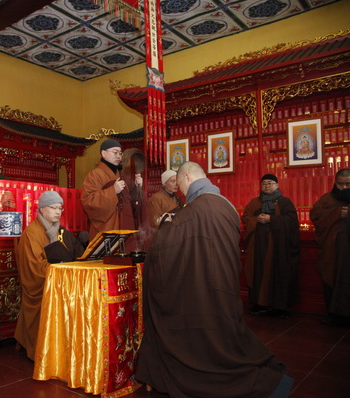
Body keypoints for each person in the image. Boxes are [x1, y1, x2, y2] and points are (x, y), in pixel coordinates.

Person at [136, 161, 293, 398]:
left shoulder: (198, 209)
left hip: (203, 291)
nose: (179, 190)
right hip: (224, 286)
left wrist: (166, 227)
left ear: (187, 177)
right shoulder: (225, 204)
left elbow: (169, 245)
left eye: (179, 184)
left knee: (207, 341)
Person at [14, 191, 84, 360]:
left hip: (58, 278)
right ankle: (46, 349)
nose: (58, 212)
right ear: (43, 209)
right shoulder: (33, 232)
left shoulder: (59, 230)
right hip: (40, 284)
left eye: (60, 208)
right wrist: (61, 271)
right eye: (54, 208)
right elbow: (36, 268)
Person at [241, 174, 300, 318]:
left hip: (279, 247)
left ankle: (279, 307)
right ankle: (259, 304)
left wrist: (271, 219)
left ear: (277, 185)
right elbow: (246, 218)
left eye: (270, 183)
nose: (266, 186)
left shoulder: (285, 202)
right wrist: (256, 220)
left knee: (279, 274)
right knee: (258, 273)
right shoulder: (255, 202)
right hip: (259, 247)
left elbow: (292, 221)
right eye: (264, 184)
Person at [81, 139, 141, 252]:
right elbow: (88, 201)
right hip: (107, 229)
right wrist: (113, 191)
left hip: (123, 227)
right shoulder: (95, 175)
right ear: (104, 153)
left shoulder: (121, 175)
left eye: (120, 153)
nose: (118, 156)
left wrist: (138, 187)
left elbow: (133, 201)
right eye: (115, 152)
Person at [310, 168, 350, 325]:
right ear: (335, 183)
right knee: (332, 278)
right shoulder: (327, 199)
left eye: (348, 184)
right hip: (333, 250)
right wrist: (337, 213)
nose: (345, 188)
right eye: (341, 184)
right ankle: (334, 314)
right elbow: (316, 216)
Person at [147, 169, 183, 243]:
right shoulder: (156, 198)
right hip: (163, 237)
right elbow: (155, 222)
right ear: (164, 183)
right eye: (172, 181)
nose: (176, 184)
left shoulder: (178, 199)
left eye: (176, 181)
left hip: (177, 235)